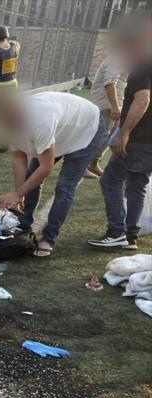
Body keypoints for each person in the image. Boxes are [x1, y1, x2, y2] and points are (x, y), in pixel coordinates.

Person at [0, 91, 107, 257]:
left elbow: (46, 167)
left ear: (14, 111)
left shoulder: (40, 120)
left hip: (85, 129)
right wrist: (19, 194)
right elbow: (18, 157)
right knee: (30, 179)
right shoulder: (7, 121)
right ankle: (23, 222)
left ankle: (49, 238)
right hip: (60, 130)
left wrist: (18, 193)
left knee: (65, 187)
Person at [89, 16, 152, 251]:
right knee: (137, 183)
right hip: (149, 139)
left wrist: (125, 132)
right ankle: (130, 235)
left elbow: (143, 98)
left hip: (139, 138)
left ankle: (117, 232)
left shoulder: (143, 66)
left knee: (111, 180)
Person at [86, 51, 128, 178]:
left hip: (117, 103)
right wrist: (114, 106)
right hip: (106, 104)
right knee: (101, 135)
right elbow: (110, 83)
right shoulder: (117, 58)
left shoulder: (127, 60)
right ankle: (83, 165)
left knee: (113, 136)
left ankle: (94, 162)